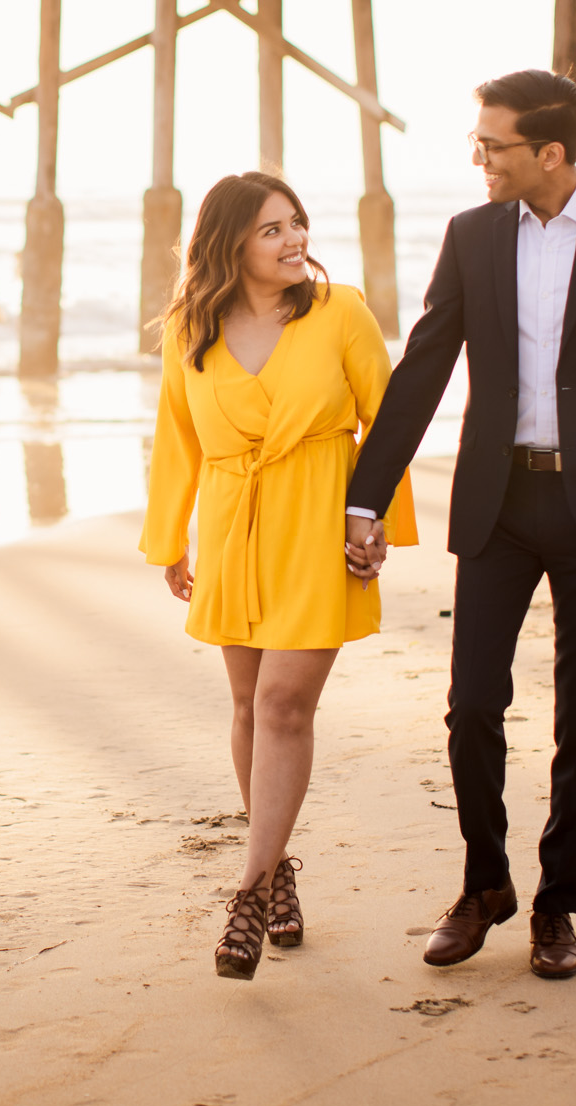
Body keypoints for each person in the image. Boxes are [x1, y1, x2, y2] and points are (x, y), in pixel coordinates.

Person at [344, 70, 576, 980]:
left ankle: (556, 906)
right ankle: (484, 882)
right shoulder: (471, 236)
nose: (477, 159)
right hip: (498, 504)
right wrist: (364, 496)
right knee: (472, 707)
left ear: (550, 151)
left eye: (493, 145)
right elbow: (423, 369)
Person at [141, 171, 417, 981]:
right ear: (230, 243)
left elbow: (388, 415)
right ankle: (282, 868)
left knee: (282, 703)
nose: (296, 239)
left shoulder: (341, 311)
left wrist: (377, 522)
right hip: (233, 524)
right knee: (245, 707)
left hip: (319, 522)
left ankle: (250, 894)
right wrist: (170, 539)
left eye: (297, 222)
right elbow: (177, 438)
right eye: (272, 229)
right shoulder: (192, 325)